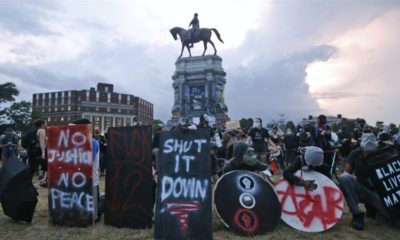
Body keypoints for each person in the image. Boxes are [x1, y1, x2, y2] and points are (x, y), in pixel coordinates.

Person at [338, 132, 398, 230]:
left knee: (393, 221)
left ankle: (375, 213)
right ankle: (357, 215)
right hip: (364, 189)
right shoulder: (355, 154)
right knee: (345, 178)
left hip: (381, 194)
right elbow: (347, 173)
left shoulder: (383, 153)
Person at [70, 118, 103, 222]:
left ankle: (103, 201)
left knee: (93, 214)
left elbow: (86, 160)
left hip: (91, 179)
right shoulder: (73, 141)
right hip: (78, 178)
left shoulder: (92, 143)